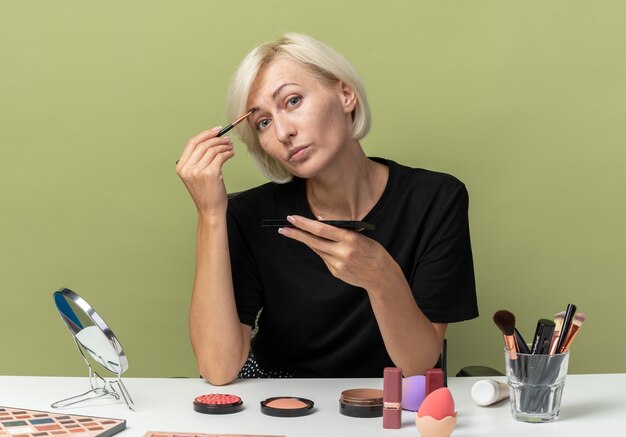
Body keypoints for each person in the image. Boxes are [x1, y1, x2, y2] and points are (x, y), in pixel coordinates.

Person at [176, 33, 478, 385]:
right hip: (276, 399)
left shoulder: (436, 199)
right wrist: (211, 213)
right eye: (263, 122)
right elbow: (218, 368)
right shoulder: (249, 216)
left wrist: (381, 277)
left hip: (386, 400)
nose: (284, 132)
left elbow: (419, 367)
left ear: (345, 94)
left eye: (292, 101)